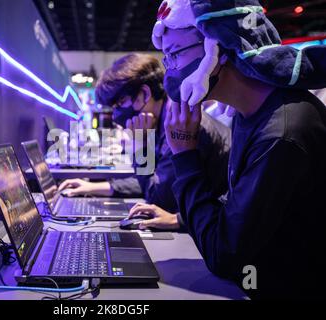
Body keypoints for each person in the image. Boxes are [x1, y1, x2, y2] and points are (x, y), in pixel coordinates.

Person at [135, 0, 326, 299]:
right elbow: (240, 205)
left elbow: (157, 194)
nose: (170, 69)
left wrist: (156, 147)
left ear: (217, 48)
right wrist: (179, 219)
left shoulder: (277, 132)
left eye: (173, 54)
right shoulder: (249, 112)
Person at [58, 53, 231, 230]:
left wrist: (139, 145)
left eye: (121, 102)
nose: (117, 114)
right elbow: (150, 180)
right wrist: (94, 187)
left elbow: (159, 197)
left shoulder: (180, 125)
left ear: (145, 93)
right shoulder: (164, 118)